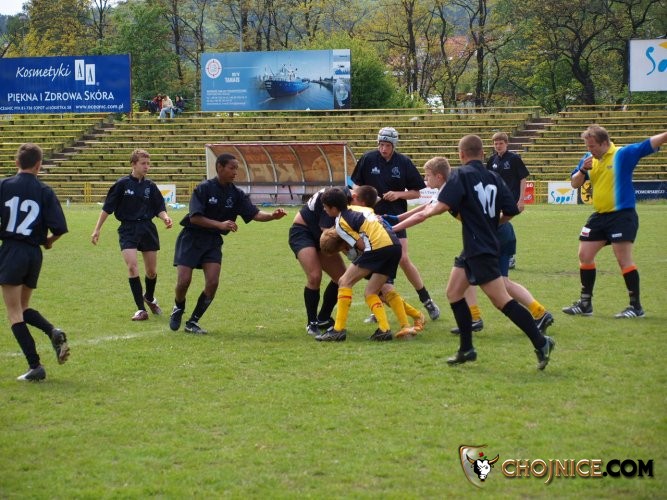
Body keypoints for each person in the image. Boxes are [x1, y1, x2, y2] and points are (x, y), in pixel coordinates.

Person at [392, 135, 555, 369]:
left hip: (480, 248)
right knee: (453, 293)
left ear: (461, 154)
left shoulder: (461, 175)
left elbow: (434, 209)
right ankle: (466, 349)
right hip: (476, 246)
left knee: (502, 301)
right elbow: (512, 209)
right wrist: (492, 224)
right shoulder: (494, 177)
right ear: (482, 153)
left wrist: (396, 227)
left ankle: (541, 342)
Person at [170, 153, 287, 334]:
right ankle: (178, 306)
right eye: (232, 168)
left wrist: (272, 216)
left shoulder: (237, 194)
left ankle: (193, 322)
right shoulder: (203, 188)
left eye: (236, 169)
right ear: (220, 167)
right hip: (191, 238)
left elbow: (254, 214)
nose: (235, 172)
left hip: (212, 242)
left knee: (212, 283)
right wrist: (220, 224)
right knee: (184, 281)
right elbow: (195, 218)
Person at [562, 125, 667, 318]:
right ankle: (585, 304)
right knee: (584, 254)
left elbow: (649, 143)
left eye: (592, 146)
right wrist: (583, 170)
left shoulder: (622, 154)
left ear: (604, 143)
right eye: (587, 146)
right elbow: (575, 183)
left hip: (622, 215)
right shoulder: (588, 159)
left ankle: (635, 307)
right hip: (600, 216)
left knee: (623, 259)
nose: (590, 149)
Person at [351, 127, 440, 320]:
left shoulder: (403, 162)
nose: (383, 149)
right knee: (377, 262)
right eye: (381, 145)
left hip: (396, 216)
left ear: (394, 145)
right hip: (370, 219)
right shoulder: (368, 159)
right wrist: (364, 196)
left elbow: (416, 192)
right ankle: (379, 307)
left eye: (387, 145)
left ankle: (427, 300)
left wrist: (398, 194)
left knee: (403, 259)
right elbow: (355, 185)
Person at [1, 143, 70, 381]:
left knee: (14, 313)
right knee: (23, 307)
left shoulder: (4, 185)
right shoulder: (45, 190)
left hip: (12, 250)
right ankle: (52, 331)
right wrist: (48, 241)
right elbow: (60, 228)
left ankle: (35, 366)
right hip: (34, 253)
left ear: (16, 163)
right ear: (39, 165)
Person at [92, 149, 173, 321]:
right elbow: (107, 208)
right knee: (132, 267)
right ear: (133, 164)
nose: (146, 167)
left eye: (148, 164)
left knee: (151, 271)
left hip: (147, 228)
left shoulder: (150, 186)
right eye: (143, 163)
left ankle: (149, 297)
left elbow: (159, 207)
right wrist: (97, 229)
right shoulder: (122, 184)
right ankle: (141, 309)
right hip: (128, 229)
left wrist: (165, 218)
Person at [315, 186, 403, 342]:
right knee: (371, 292)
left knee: (344, 281)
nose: (324, 209)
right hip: (394, 245)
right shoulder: (358, 208)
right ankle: (384, 329)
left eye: (325, 207)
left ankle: (338, 330)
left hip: (378, 247)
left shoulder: (340, 223)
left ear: (334, 208)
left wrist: (355, 257)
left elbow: (361, 245)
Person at [289, 187, 347, 336]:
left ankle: (323, 318)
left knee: (342, 278)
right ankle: (312, 322)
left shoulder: (346, 198)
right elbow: (327, 232)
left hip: (325, 235)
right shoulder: (332, 198)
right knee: (315, 276)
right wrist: (353, 253)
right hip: (304, 232)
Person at [486, 132, 529, 269]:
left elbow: (523, 178)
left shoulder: (514, 159)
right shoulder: (492, 160)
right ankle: (500, 255)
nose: (498, 146)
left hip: (511, 199)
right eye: (496, 143)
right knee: (498, 224)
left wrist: (521, 199)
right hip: (495, 199)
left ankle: (509, 256)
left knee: (503, 223)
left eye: (501, 143)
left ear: (506, 144)